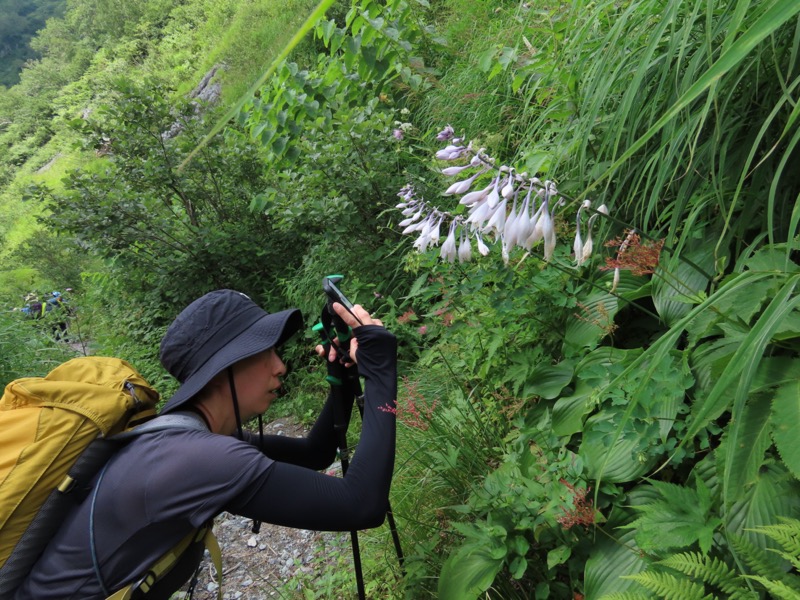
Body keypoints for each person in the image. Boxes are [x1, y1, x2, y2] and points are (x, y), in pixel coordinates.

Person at [17, 289, 398, 599]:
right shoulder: (195, 458)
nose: (280, 365)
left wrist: (342, 380)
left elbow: (314, 454)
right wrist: (381, 373)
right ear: (223, 369)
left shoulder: (185, 437)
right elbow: (361, 505)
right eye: (266, 351)